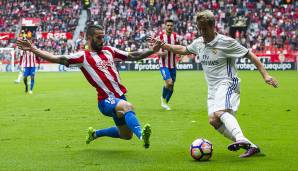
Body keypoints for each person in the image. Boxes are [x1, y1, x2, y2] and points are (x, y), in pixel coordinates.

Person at [148, 10, 279, 157]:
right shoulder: (198, 43)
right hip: (212, 88)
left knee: (220, 112)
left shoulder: (226, 42)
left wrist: (265, 75)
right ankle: (251, 146)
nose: (202, 32)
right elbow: (184, 49)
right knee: (213, 120)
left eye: (205, 28)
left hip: (228, 82)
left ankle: (240, 138)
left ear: (213, 26)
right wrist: (164, 45)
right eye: (200, 28)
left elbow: (250, 55)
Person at [17, 24, 156, 148]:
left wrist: (152, 50)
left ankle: (95, 134)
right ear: (89, 39)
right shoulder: (83, 57)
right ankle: (143, 136)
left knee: (126, 135)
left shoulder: (109, 51)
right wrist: (33, 49)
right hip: (105, 101)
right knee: (127, 106)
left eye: (103, 37)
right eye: (99, 38)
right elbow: (57, 58)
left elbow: (133, 55)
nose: (102, 40)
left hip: (120, 97)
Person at [158, 19, 180, 110]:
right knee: (169, 82)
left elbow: (179, 48)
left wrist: (179, 56)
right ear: (165, 26)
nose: (169, 27)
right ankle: (162, 99)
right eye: (168, 25)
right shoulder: (160, 36)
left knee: (172, 86)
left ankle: (165, 103)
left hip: (173, 65)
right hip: (163, 64)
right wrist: (159, 53)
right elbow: (154, 48)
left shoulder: (176, 37)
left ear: (173, 26)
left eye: (171, 25)